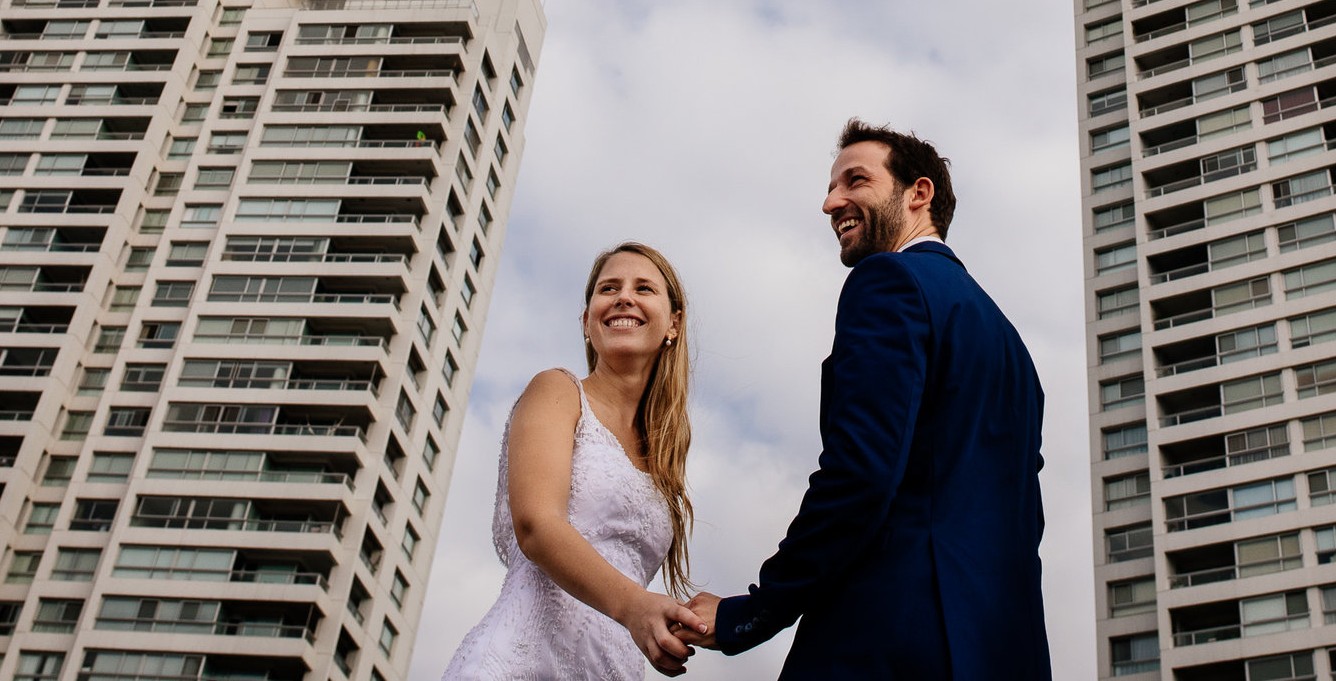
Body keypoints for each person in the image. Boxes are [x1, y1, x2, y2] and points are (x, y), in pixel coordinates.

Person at [688, 122, 1049, 678]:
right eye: (833, 187)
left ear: (918, 193)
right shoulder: (1013, 349)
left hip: (890, 639)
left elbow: (860, 475)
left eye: (855, 180)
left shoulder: (891, 282)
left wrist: (751, 614)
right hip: (1002, 650)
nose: (832, 202)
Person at [440, 242, 713, 679]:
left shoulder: (663, 457)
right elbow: (536, 524)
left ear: (673, 324)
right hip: (518, 664)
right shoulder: (557, 391)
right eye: (609, 288)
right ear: (587, 321)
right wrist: (635, 606)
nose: (624, 297)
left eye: (644, 288)